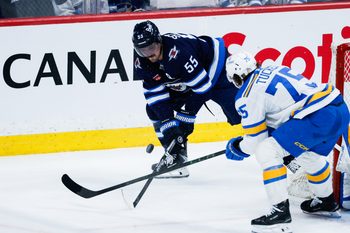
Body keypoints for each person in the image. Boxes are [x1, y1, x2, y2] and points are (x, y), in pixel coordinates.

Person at [224, 51, 349, 233]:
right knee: (309, 154)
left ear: (235, 77)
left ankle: (279, 214)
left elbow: (256, 141)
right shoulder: (275, 67)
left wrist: (237, 147)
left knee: (267, 151)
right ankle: (326, 201)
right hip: (340, 110)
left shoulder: (246, 94)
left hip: (317, 117)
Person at [132, 20, 241, 178]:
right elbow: (155, 95)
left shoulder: (178, 54)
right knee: (154, 111)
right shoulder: (141, 61)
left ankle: (280, 145)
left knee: (242, 113)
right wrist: (171, 129)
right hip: (186, 77)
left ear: (159, 41)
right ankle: (176, 160)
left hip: (217, 68)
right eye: (142, 50)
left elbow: (203, 88)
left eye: (151, 48)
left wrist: (186, 116)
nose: (148, 55)